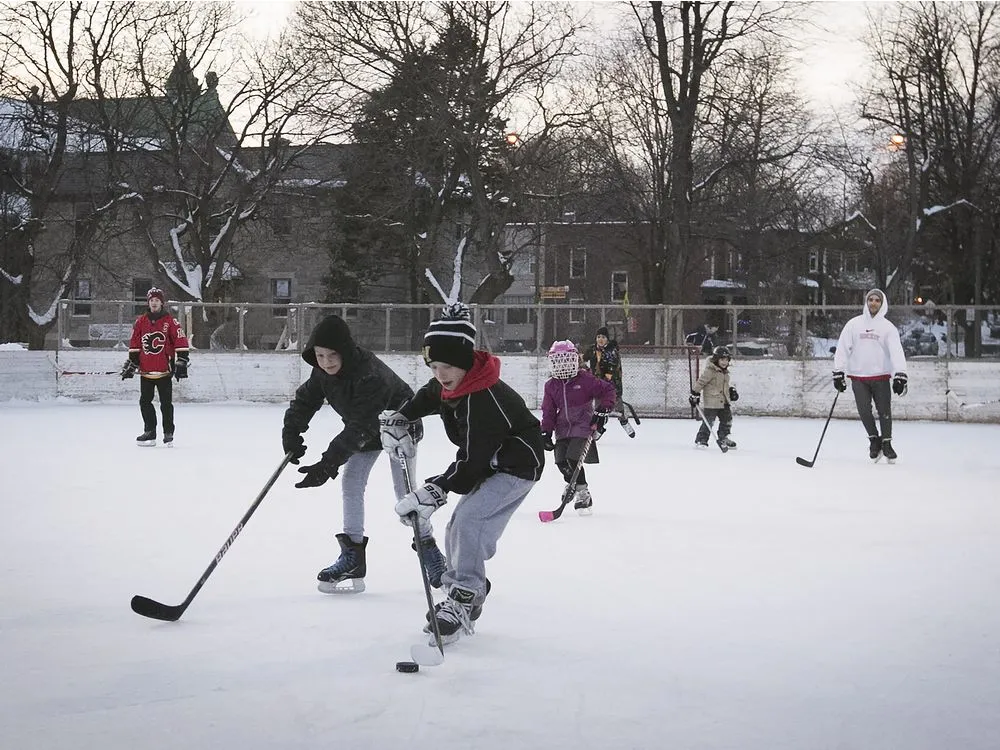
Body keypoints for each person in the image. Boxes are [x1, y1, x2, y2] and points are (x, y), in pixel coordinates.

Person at [380, 303, 545, 646]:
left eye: (448, 366)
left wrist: (435, 490)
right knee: (459, 525)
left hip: (517, 466)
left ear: (467, 362)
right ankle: (467, 587)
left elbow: (471, 463)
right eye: (435, 366)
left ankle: (465, 596)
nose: (441, 374)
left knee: (470, 521)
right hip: (492, 463)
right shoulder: (450, 383)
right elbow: (429, 395)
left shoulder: (481, 398)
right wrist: (402, 416)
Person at [282, 314, 445, 594]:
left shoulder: (369, 374)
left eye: (332, 355)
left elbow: (360, 426)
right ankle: (353, 556)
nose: (326, 362)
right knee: (352, 484)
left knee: (405, 493)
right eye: (320, 356)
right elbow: (306, 399)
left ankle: (429, 549)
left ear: (345, 351)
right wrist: (292, 432)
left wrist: (327, 463)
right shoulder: (321, 371)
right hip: (366, 429)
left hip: (399, 426)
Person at [540, 340, 617, 514]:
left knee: (574, 457)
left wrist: (603, 410)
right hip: (562, 427)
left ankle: (583, 493)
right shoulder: (551, 385)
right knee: (561, 461)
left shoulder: (585, 379)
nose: (563, 365)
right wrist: (546, 431)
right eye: (558, 361)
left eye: (566, 360)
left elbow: (608, 391)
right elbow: (548, 410)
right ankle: (572, 483)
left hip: (583, 424)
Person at [832, 288, 908, 462]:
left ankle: (887, 443)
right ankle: (874, 439)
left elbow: (896, 352)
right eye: (871, 300)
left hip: (880, 376)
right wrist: (839, 372)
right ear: (866, 302)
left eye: (877, 300)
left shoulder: (888, 327)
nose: (873, 303)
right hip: (858, 376)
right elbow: (843, 348)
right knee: (864, 411)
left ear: (882, 304)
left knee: (884, 411)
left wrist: (900, 374)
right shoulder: (854, 324)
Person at [121, 287, 189, 447]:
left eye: (157, 300)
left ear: (161, 303)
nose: (154, 303)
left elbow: (180, 340)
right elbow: (135, 343)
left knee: (166, 404)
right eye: (152, 300)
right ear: (148, 302)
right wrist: (132, 362)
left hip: (164, 370)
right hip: (146, 371)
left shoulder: (170, 321)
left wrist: (182, 360)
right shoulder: (140, 322)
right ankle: (150, 432)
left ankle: (168, 433)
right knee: (145, 402)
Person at [582, 326, 634, 437]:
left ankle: (624, 420)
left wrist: (603, 382)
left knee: (617, 406)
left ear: (607, 339)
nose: (600, 339)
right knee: (598, 408)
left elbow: (610, 371)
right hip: (597, 385)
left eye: (603, 337)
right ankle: (599, 427)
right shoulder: (592, 350)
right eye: (598, 337)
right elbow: (583, 359)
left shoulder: (612, 352)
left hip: (612, 386)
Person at [688, 345, 739, 450]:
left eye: (726, 360)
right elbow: (701, 382)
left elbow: (724, 386)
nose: (724, 362)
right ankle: (701, 439)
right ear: (716, 359)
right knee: (709, 421)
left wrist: (731, 391)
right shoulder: (710, 371)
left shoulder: (725, 373)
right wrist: (695, 393)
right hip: (712, 402)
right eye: (722, 359)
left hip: (724, 401)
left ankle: (723, 437)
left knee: (727, 420)